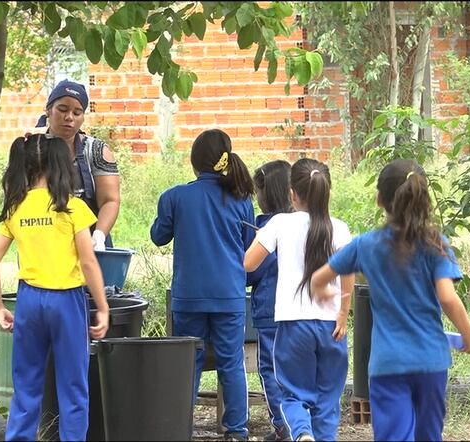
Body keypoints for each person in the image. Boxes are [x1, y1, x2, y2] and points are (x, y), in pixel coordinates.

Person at [310, 159, 470, 442]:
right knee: (429, 435)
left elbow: (319, 277)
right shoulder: (435, 243)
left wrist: (325, 291)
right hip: (431, 362)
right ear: (422, 198)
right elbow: (448, 298)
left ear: (379, 199)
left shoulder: (365, 244)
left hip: (388, 364)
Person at [0, 134, 110, 441]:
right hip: (66, 302)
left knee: (26, 387)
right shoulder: (72, 207)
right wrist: (103, 307)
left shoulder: (17, 207)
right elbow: (89, 262)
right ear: (59, 165)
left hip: (29, 301)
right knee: (73, 388)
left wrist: (0, 306)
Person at [151, 129, 255, 441]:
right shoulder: (242, 200)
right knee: (231, 362)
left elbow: (158, 237)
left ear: (194, 162)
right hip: (230, 297)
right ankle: (236, 430)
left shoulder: (175, 197)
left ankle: (181, 427)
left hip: (189, 298)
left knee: (189, 363)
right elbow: (249, 246)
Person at [244, 158, 354, 442]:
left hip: (293, 326)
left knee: (293, 393)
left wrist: (264, 239)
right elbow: (348, 273)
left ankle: (302, 433)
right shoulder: (339, 228)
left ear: (291, 194)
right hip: (332, 326)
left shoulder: (280, 223)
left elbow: (248, 264)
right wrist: (343, 313)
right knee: (328, 399)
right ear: (327, 192)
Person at [35, 79, 120, 251]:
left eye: (77, 112)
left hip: (90, 246)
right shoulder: (31, 149)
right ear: (48, 110)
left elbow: (110, 200)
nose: (69, 117)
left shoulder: (96, 150)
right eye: (62, 109)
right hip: (43, 250)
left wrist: (99, 236)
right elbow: (17, 199)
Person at [247, 160, 293, 442]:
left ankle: (282, 426)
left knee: (270, 369)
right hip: (302, 310)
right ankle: (300, 423)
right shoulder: (307, 222)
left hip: (270, 311)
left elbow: (252, 270)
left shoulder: (264, 228)